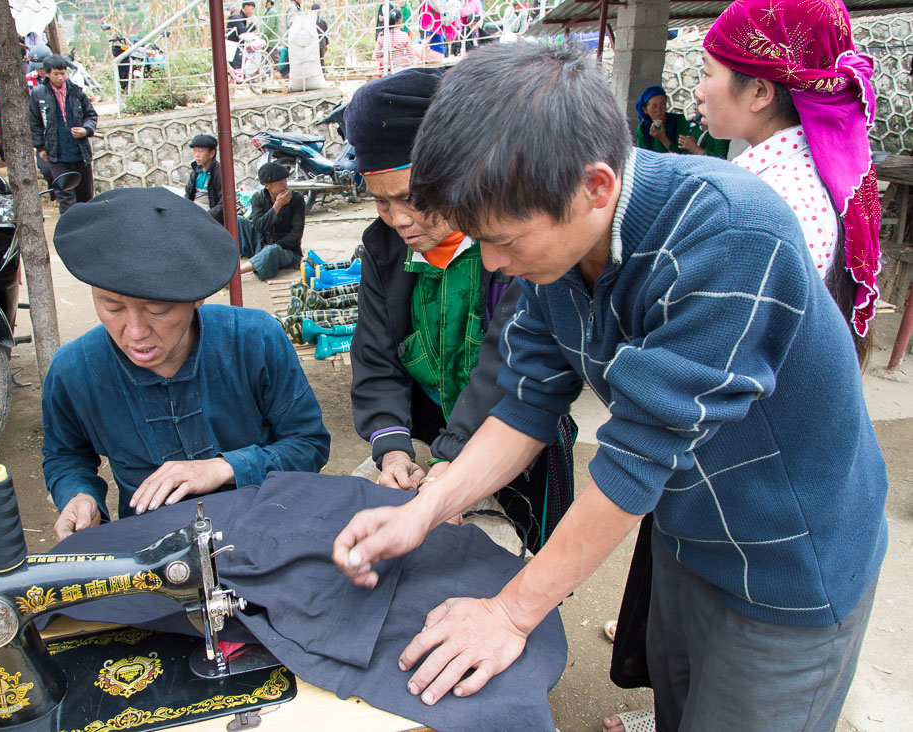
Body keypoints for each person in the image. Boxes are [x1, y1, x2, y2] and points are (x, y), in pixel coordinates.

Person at [332, 41, 886, 732]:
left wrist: (510, 611)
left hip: (788, 561)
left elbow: (635, 459)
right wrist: (426, 506)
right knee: (683, 709)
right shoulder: (557, 246)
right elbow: (528, 400)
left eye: (503, 240)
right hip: (689, 536)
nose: (494, 262)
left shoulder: (730, 234)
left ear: (595, 186)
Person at [344, 68, 575, 550]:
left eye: (412, 198)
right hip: (432, 424)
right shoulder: (384, 249)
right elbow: (375, 357)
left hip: (514, 426)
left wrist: (451, 465)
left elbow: (506, 363)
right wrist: (392, 449)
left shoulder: (513, 249)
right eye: (381, 203)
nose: (400, 220)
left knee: (517, 549)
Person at [43, 187, 330, 540]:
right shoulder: (73, 370)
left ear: (197, 297)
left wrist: (225, 467)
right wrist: (79, 495)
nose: (134, 331)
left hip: (269, 531)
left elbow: (308, 444)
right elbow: (66, 455)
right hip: (149, 552)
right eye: (112, 307)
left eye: (157, 309)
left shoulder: (256, 339)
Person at [697, 0, 880, 363]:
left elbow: (728, 342)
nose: (699, 91)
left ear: (760, 93)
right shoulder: (799, 172)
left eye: (706, 73)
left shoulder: (778, 197)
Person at [28, 55, 97, 214]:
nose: (60, 77)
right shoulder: (38, 95)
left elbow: (91, 115)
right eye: (56, 74)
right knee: (65, 196)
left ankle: (87, 232)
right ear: (46, 74)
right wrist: (40, 148)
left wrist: (86, 130)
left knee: (85, 196)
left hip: (79, 151)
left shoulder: (77, 92)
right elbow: (35, 123)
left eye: (63, 73)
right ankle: (70, 232)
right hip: (56, 154)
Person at [239, 162, 306, 280]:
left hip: (286, 250)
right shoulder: (258, 198)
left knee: (271, 250)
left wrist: (274, 247)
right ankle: (249, 257)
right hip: (261, 243)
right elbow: (258, 226)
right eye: (280, 183)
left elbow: (296, 235)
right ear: (267, 185)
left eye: (285, 180)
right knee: (238, 221)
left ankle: (237, 273)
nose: (284, 185)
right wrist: (277, 206)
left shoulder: (297, 199)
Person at [634, 85, 725, 157]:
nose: (659, 110)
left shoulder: (678, 121)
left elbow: (682, 154)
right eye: (654, 106)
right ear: (645, 109)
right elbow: (644, 157)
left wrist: (663, 138)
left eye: (662, 104)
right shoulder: (643, 128)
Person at [184, 133, 224, 220]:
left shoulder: (220, 173)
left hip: (210, 217)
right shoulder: (195, 172)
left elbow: (224, 203)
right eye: (195, 151)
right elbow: (188, 195)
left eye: (200, 151)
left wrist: (206, 216)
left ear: (211, 153)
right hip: (194, 213)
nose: (196, 155)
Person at [373, 6, 415, 74]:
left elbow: (376, 54)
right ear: (400, 21)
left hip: (387, 69)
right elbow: (411, 55)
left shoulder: (382, 35)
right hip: (401, 70)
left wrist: (385, 53)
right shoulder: (404, 35)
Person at [227, 3, 256, 69]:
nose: (253, 11)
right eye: (252, 9)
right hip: (233, 47)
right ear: (246, 7)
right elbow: (243, 32)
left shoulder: (241, 17)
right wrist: (253, 24)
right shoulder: (237, 18)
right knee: (239, 67)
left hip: (236, 46)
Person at [312, 3, 329, 69]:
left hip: (314, 44)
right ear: (319, 11)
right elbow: (326, 33)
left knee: (315, 61)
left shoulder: (310, 21)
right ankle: (323, 74)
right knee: (321, 59)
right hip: (322, 43)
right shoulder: (323, 21)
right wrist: (326, 44)